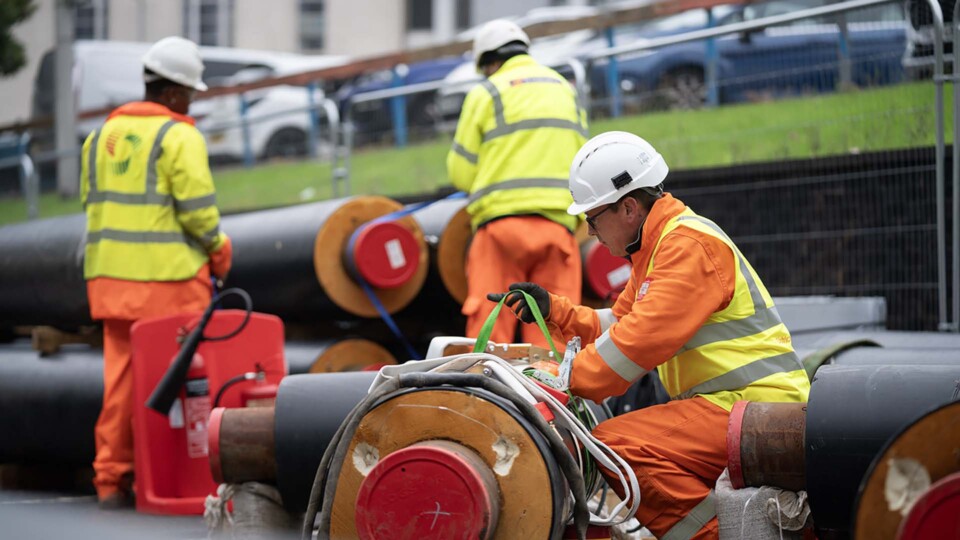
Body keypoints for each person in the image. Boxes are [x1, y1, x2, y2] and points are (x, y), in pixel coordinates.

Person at [489, 131, 810, 539]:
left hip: (756, 409)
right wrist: (555, 310)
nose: (589, 231)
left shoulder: (687, 247)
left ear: (627, 208)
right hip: (736, 407)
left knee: (620, 447)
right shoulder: (659, 247)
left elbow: (628, 350)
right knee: (625, 443)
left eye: (592, 218)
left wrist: (554, 379)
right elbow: (619, 328)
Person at [80, 36, 232, 509]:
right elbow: (199, 215)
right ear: (172, 92)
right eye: (189, 93)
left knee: (121, 385)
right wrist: (220, 250)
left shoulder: (99, 135)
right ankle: (178, 481)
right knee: (188, 386)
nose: (190, 102)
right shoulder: (179, 136)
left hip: (110, 284)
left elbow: (91, 203)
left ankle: (111, 480)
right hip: (169, 286)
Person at [447, 18, 588, 347]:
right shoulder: (564, 89)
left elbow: (460, 174)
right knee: (554, 330)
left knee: (491, 331)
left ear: (489, 63)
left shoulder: (488, 91)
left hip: (500, 231)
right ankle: (553, 397)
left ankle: (487, 395)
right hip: (559, 228)